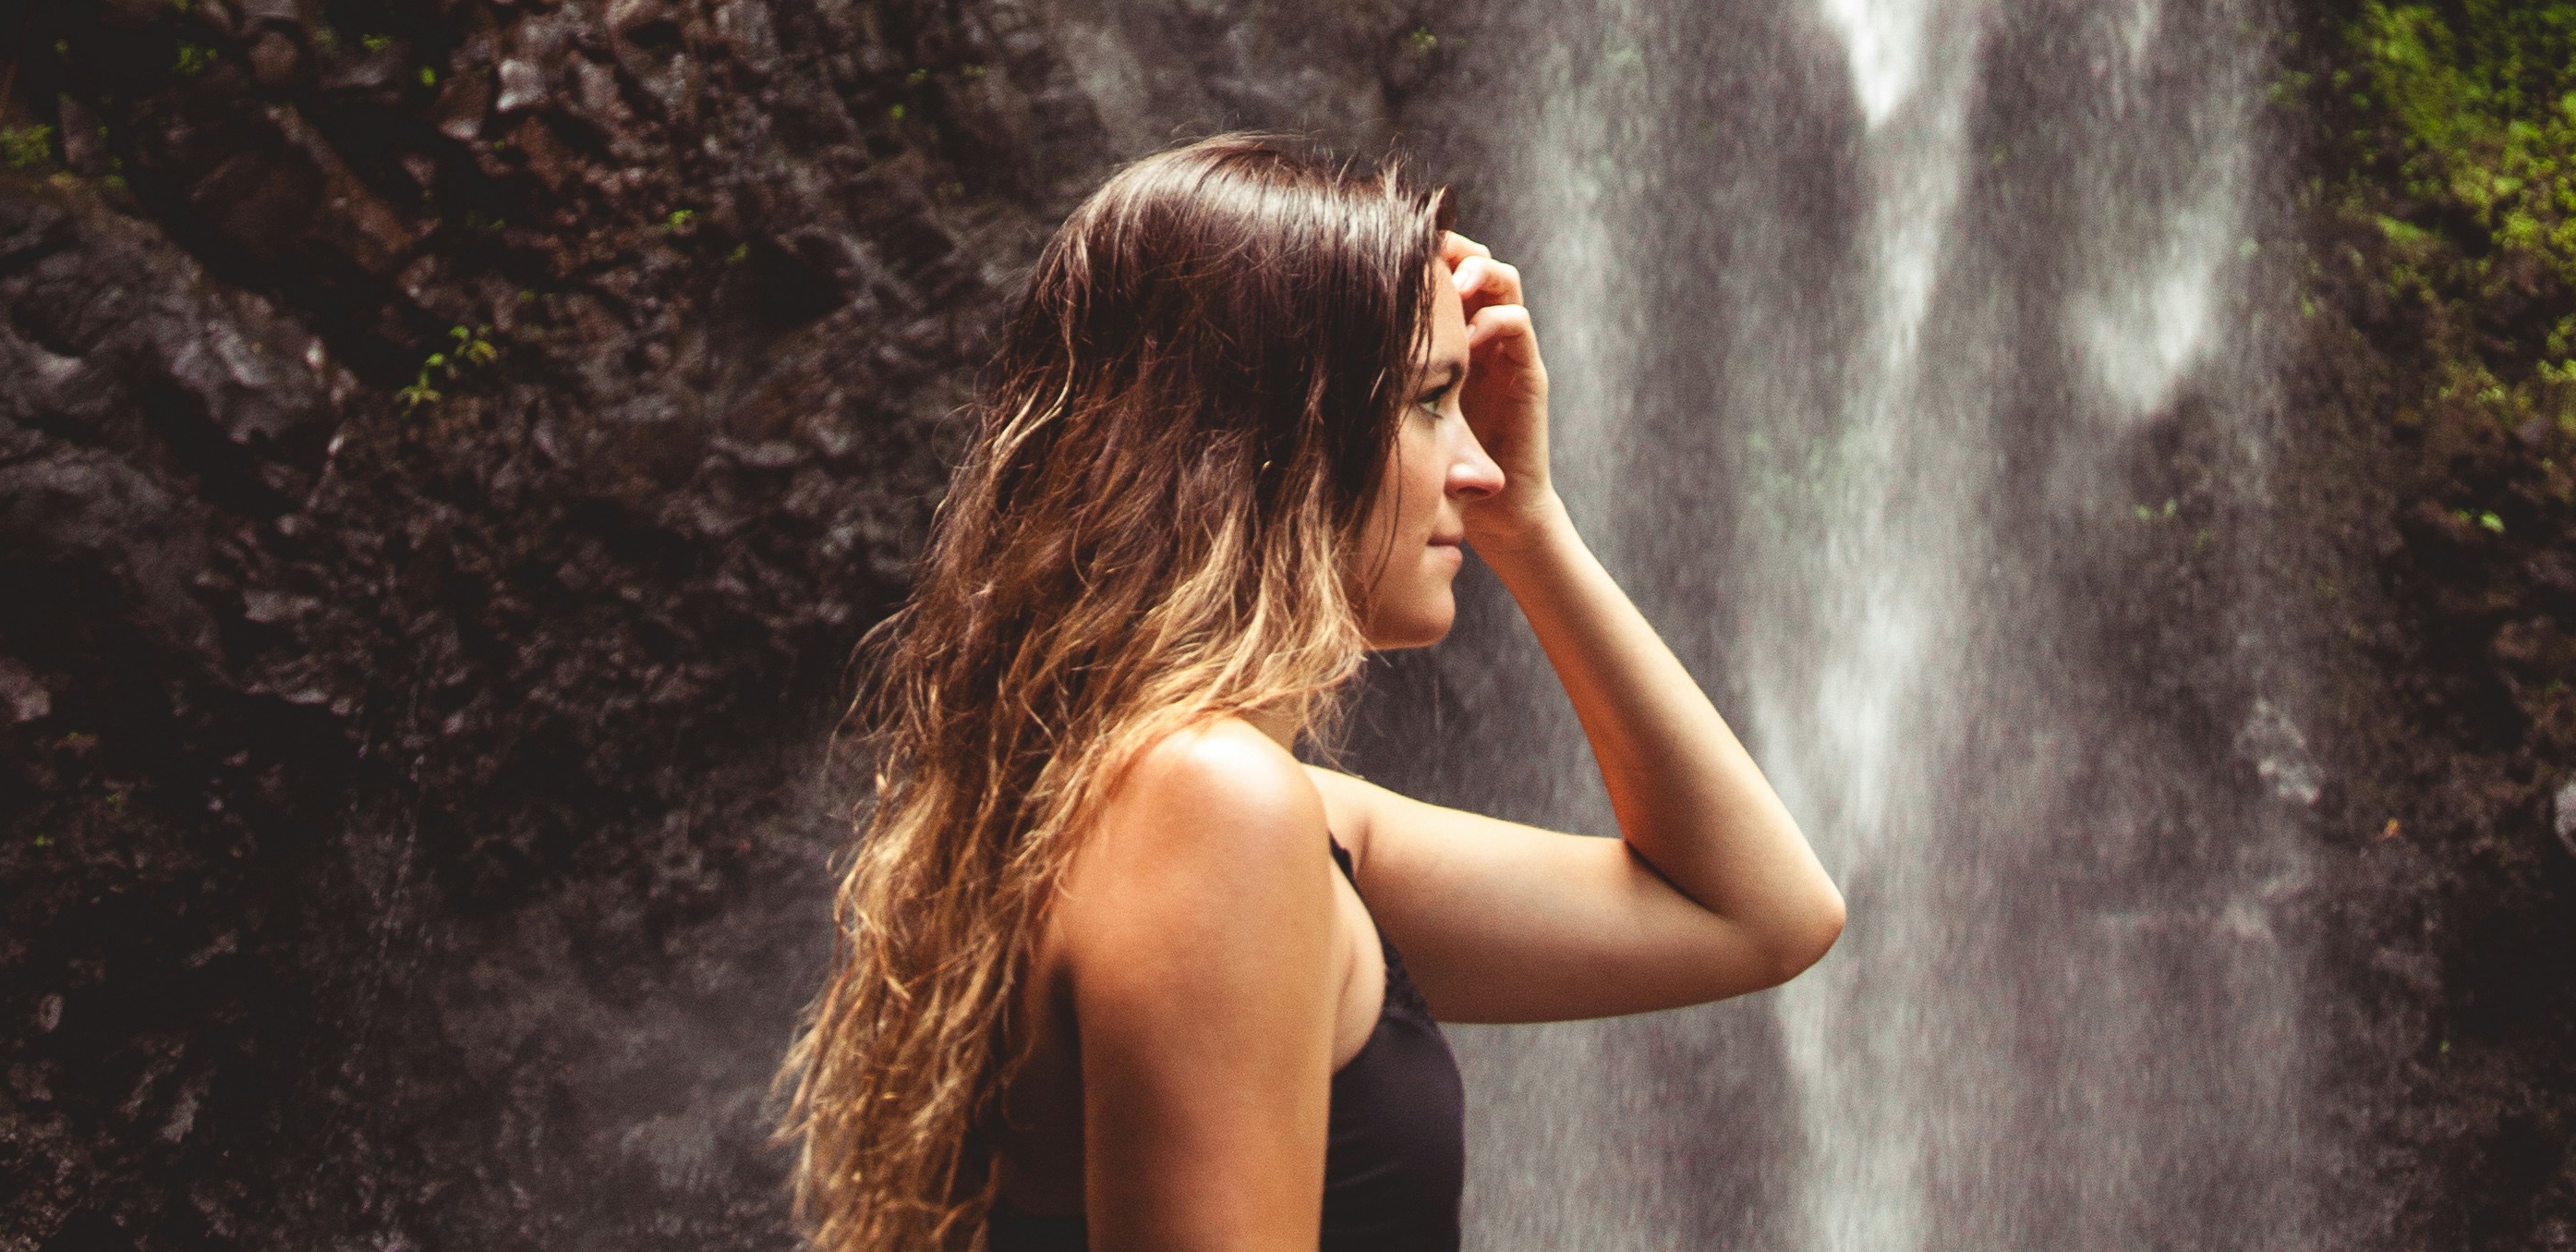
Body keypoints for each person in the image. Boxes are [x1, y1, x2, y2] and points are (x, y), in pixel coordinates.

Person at [782, 132, 1844, 1252]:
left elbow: (1759, 915)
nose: (1477, 466)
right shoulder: (1212, 808)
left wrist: (1530, 527)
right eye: (1434, 400)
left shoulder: (1195, 805)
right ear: (1272, 429)